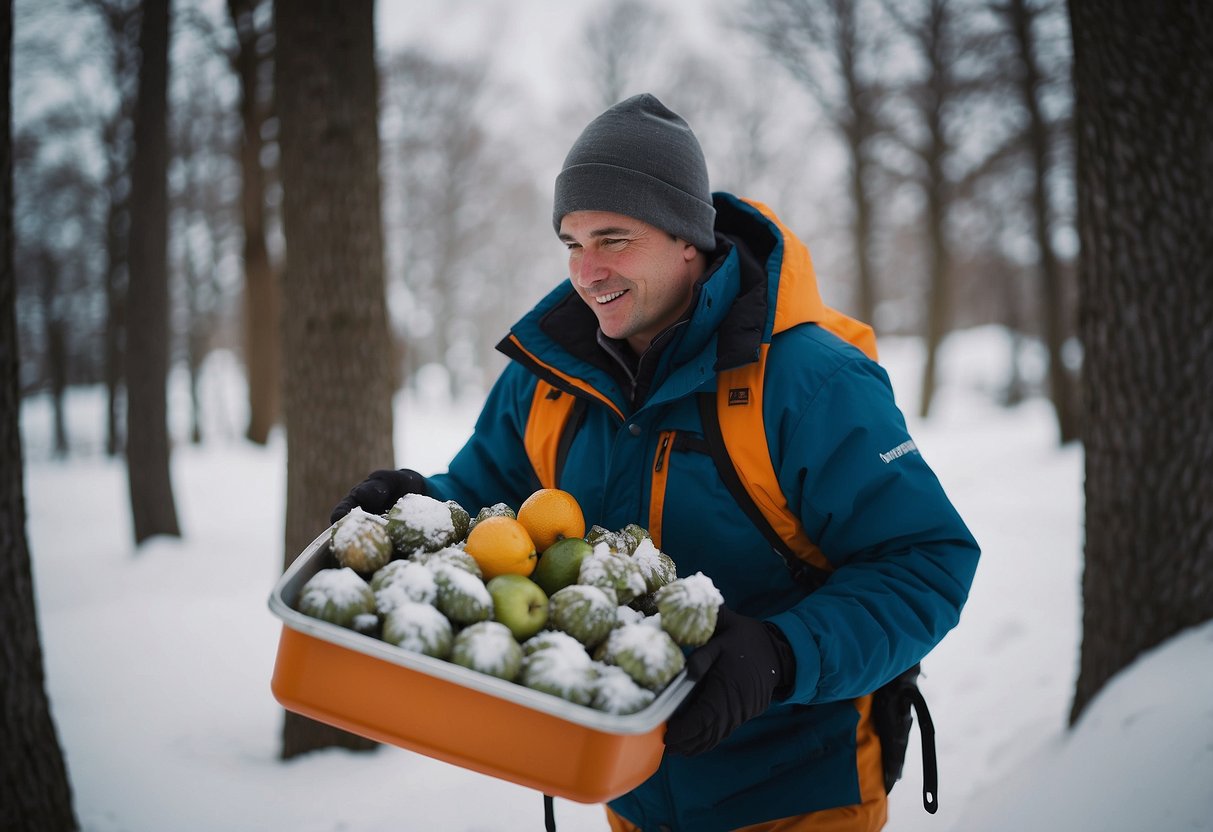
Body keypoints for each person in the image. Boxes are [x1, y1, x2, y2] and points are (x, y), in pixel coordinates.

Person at [332, 93, 980, 832]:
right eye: (571, 242)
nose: (587, 271)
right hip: (624, 781)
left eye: (613, 239)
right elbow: (491, 502)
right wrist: (419, 498)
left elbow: (925, 562)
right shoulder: (549, 375)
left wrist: (779, 656)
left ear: (687, 240)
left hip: (796, 790)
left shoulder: (808, 383)